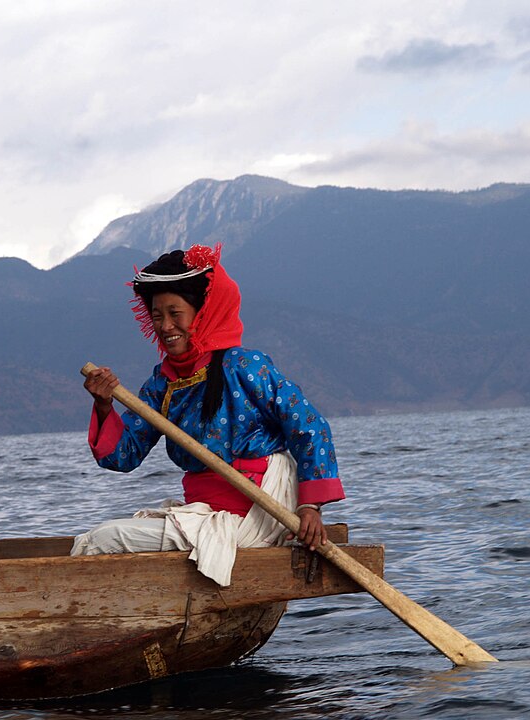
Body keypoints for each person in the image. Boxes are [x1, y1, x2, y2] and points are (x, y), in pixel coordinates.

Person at [76, 244, 345, 585]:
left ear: (203, 313)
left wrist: (310, 508)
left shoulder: (246, 367)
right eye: (157, 316)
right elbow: (122, 456)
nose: (165, 326)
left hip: (256, 513)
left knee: (100, 541)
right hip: (203, 513)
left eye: (176, 314)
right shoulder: (162, 382)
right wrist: (104, 405)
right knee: (101, 540)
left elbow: (310, 427)